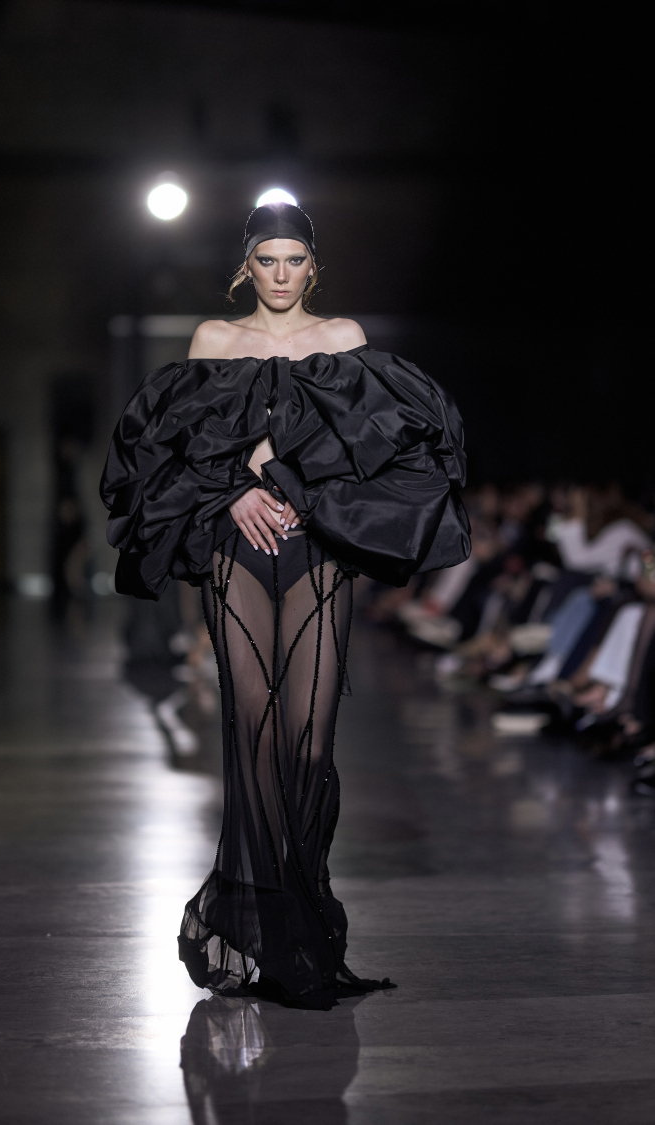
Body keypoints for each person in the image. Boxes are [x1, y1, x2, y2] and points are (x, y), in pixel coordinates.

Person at [101, 202, 470, 1009]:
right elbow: (171, 453)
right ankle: (272, 928)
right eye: (265, 260)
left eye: (292, 260)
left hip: (315, 547)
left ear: (312, 265)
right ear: (246, 266)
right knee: (255, 731)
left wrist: (310, 494)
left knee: (307, 738)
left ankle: (303, 907)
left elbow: (384, 447)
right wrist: (234, 492)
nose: (279, 274)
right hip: (236, 547)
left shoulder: (342, 338)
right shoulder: (213, 340)